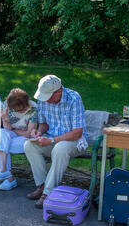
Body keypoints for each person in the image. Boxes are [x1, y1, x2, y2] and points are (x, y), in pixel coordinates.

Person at [24, 75, 88, 209]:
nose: (45, 100)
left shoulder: (73, 98)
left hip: (75, 141)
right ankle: (42, 186)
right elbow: (44, 124)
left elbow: (77, 132)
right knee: (29, 145)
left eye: (48, 97)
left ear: (58, 91)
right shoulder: (43, 99)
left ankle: (47, 193)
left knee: (60, 148)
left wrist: (52, 140)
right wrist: (39, 133)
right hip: (52, 140)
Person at [0, 88, 37, 190]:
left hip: (25, 140)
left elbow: (29, 133)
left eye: (20, 109)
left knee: (2, 144)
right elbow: (7, 128)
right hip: (14, 134)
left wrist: (13, 129)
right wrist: (6, 120)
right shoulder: (7, 106)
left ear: (27, 103)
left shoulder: (33, 108)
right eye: (15, 110)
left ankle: (8, 179)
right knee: (1, 133)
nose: (18, 111)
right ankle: (3, 170)